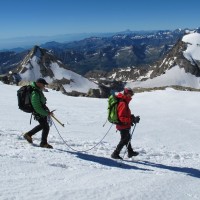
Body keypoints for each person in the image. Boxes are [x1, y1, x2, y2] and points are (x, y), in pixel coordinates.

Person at [23, 78, 54, 148]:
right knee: (45, 127)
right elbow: (37, 107)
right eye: (43, 85)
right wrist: (47, 113)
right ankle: (43, 143)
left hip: (41, 112)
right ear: (39, 84)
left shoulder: (37, 91)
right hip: (39, 113)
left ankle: (28, 134)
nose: (44, 86)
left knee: (43, 125)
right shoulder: (35, 93)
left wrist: (46, 112)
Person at [111, 88, 140, 159]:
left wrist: (132, 118)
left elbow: (125, 114)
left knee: (127, 138)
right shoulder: (123, 103)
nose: (131, 96)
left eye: (131, 95)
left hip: (124, 125)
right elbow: (121, 118)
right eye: (130, 94)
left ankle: (130, 152)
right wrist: (132, 120)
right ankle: (115, 153)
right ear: (126, 94)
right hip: (122, 125)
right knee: (124, 140)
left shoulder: (124, 102)